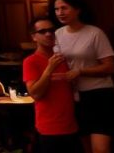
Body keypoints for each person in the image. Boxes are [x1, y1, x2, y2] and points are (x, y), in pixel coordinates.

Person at [50, 0, 114, 153]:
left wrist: (80, 71)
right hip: (72, 96)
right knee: (84, 146)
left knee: (100, 148)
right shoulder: (57, 34)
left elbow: (110, 67)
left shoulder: (94, 33)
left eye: (64, 8)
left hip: (99, 93)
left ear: (77, 9)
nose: (60, 13)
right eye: (56, 9)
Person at [24, 16, 83, 153]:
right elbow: (35, 93)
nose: (48, 34)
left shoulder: (62, 58)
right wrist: (49, 69)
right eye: (43, 31)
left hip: (71, 125)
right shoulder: (31, 61)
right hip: (49, 128)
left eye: (51, 30)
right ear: (34, 37)